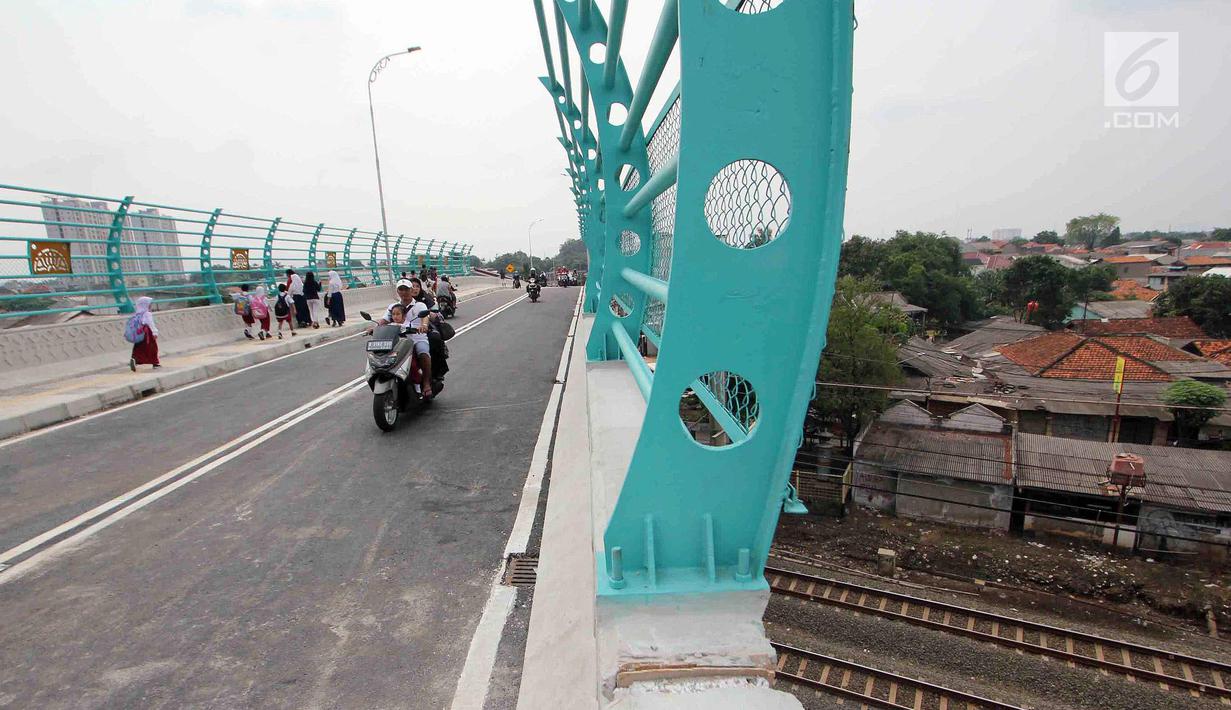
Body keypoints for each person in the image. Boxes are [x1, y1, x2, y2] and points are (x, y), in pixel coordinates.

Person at [373, 279, 434, 397]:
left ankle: (426, 383)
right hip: (397, 340)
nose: (404, 292)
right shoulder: (393, 307)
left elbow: (425, 316)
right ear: (397, 291)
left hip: (417, 338)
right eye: (401, 289)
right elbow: (384, 320)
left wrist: (424, 326)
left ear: (411, 290)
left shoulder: (419, 305)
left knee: (423, 353)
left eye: (406, 289)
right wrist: (375, 327)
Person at [126, 296, 161, 370]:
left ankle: (135, 360)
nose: (150, 306)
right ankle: (155, 362)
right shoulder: (147, 313)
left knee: (138, 348)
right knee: (152, 348)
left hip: (139, 333)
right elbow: (150, 323)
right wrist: (155, 332)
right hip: (147, 333)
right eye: (149, 304)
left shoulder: (137, 314)